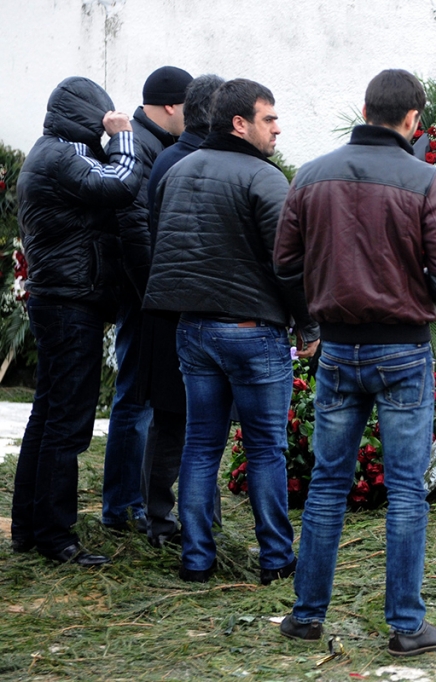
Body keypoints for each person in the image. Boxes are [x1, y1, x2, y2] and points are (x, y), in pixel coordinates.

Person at [275, 69, 436, 656]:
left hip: (337, 348)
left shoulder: (310, 175)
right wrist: (419, 291)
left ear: (364, 109)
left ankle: (307, 616)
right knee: (407, 489)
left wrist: (323, 296)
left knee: (328, 484)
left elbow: (285, 264)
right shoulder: (425, 178)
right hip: (403, 349)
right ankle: (406, 627)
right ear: (414, 122)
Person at [144, 78, 319, 583]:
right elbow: (290, 265)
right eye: (270, 119)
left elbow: (165, 250)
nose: (278, 128)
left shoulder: (178, 171)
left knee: (201, 446)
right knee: (266, 448)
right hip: (251, 334)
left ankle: (196, 561)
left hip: (193, 333)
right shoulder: (265, 179)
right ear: (239, 123)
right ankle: (277, 561)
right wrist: (308, 325)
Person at [11, 77, 143, 565]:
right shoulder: (61, 156)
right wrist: (124, 136)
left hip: (59, 299)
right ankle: (56, 537)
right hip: (70, 304)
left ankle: (28, 526)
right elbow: (120, 186)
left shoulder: (50, 153)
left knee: (48, 416)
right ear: (91, 115)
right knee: (67, 424)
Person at [102, 65, 193, 533]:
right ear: (173, 106)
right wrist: (152, 297)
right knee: (136, 400)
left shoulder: (150, 141)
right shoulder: (142, 145)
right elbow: (133, 231)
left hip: (148, 293)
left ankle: (130, 503)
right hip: (143, 296)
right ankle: (123, 509)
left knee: (142, 400)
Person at [137, 74, 225, 548]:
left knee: (188, 421)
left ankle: (190, 519)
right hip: (178, 312)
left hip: (172, 308)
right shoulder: (184, 163)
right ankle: (163, 521)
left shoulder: (177, 158)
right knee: (176, 421)